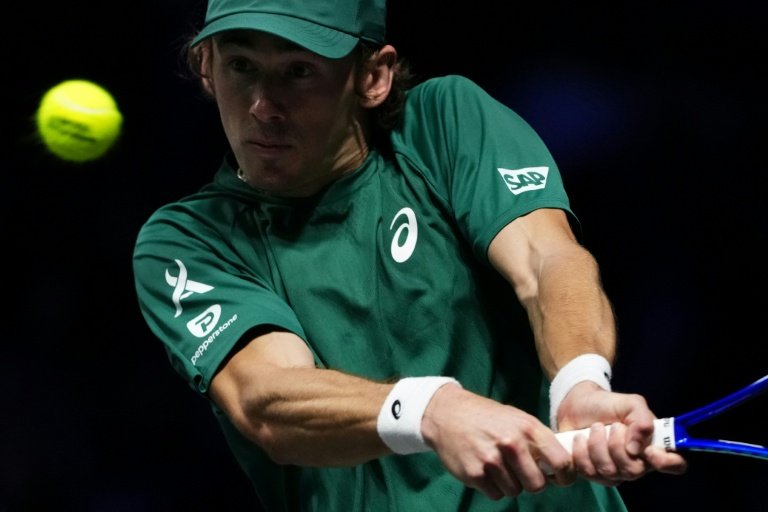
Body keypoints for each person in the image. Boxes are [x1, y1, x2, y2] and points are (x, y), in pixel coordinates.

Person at [132, 0, 687, 510]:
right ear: (205, 65)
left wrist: (580, 385)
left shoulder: (445, 123)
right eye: (241, 66)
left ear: (372, 76)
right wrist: (431, 410)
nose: (262, 106)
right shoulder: (187, 240)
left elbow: (547, 262)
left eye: (298, 71)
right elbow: (267, 398)